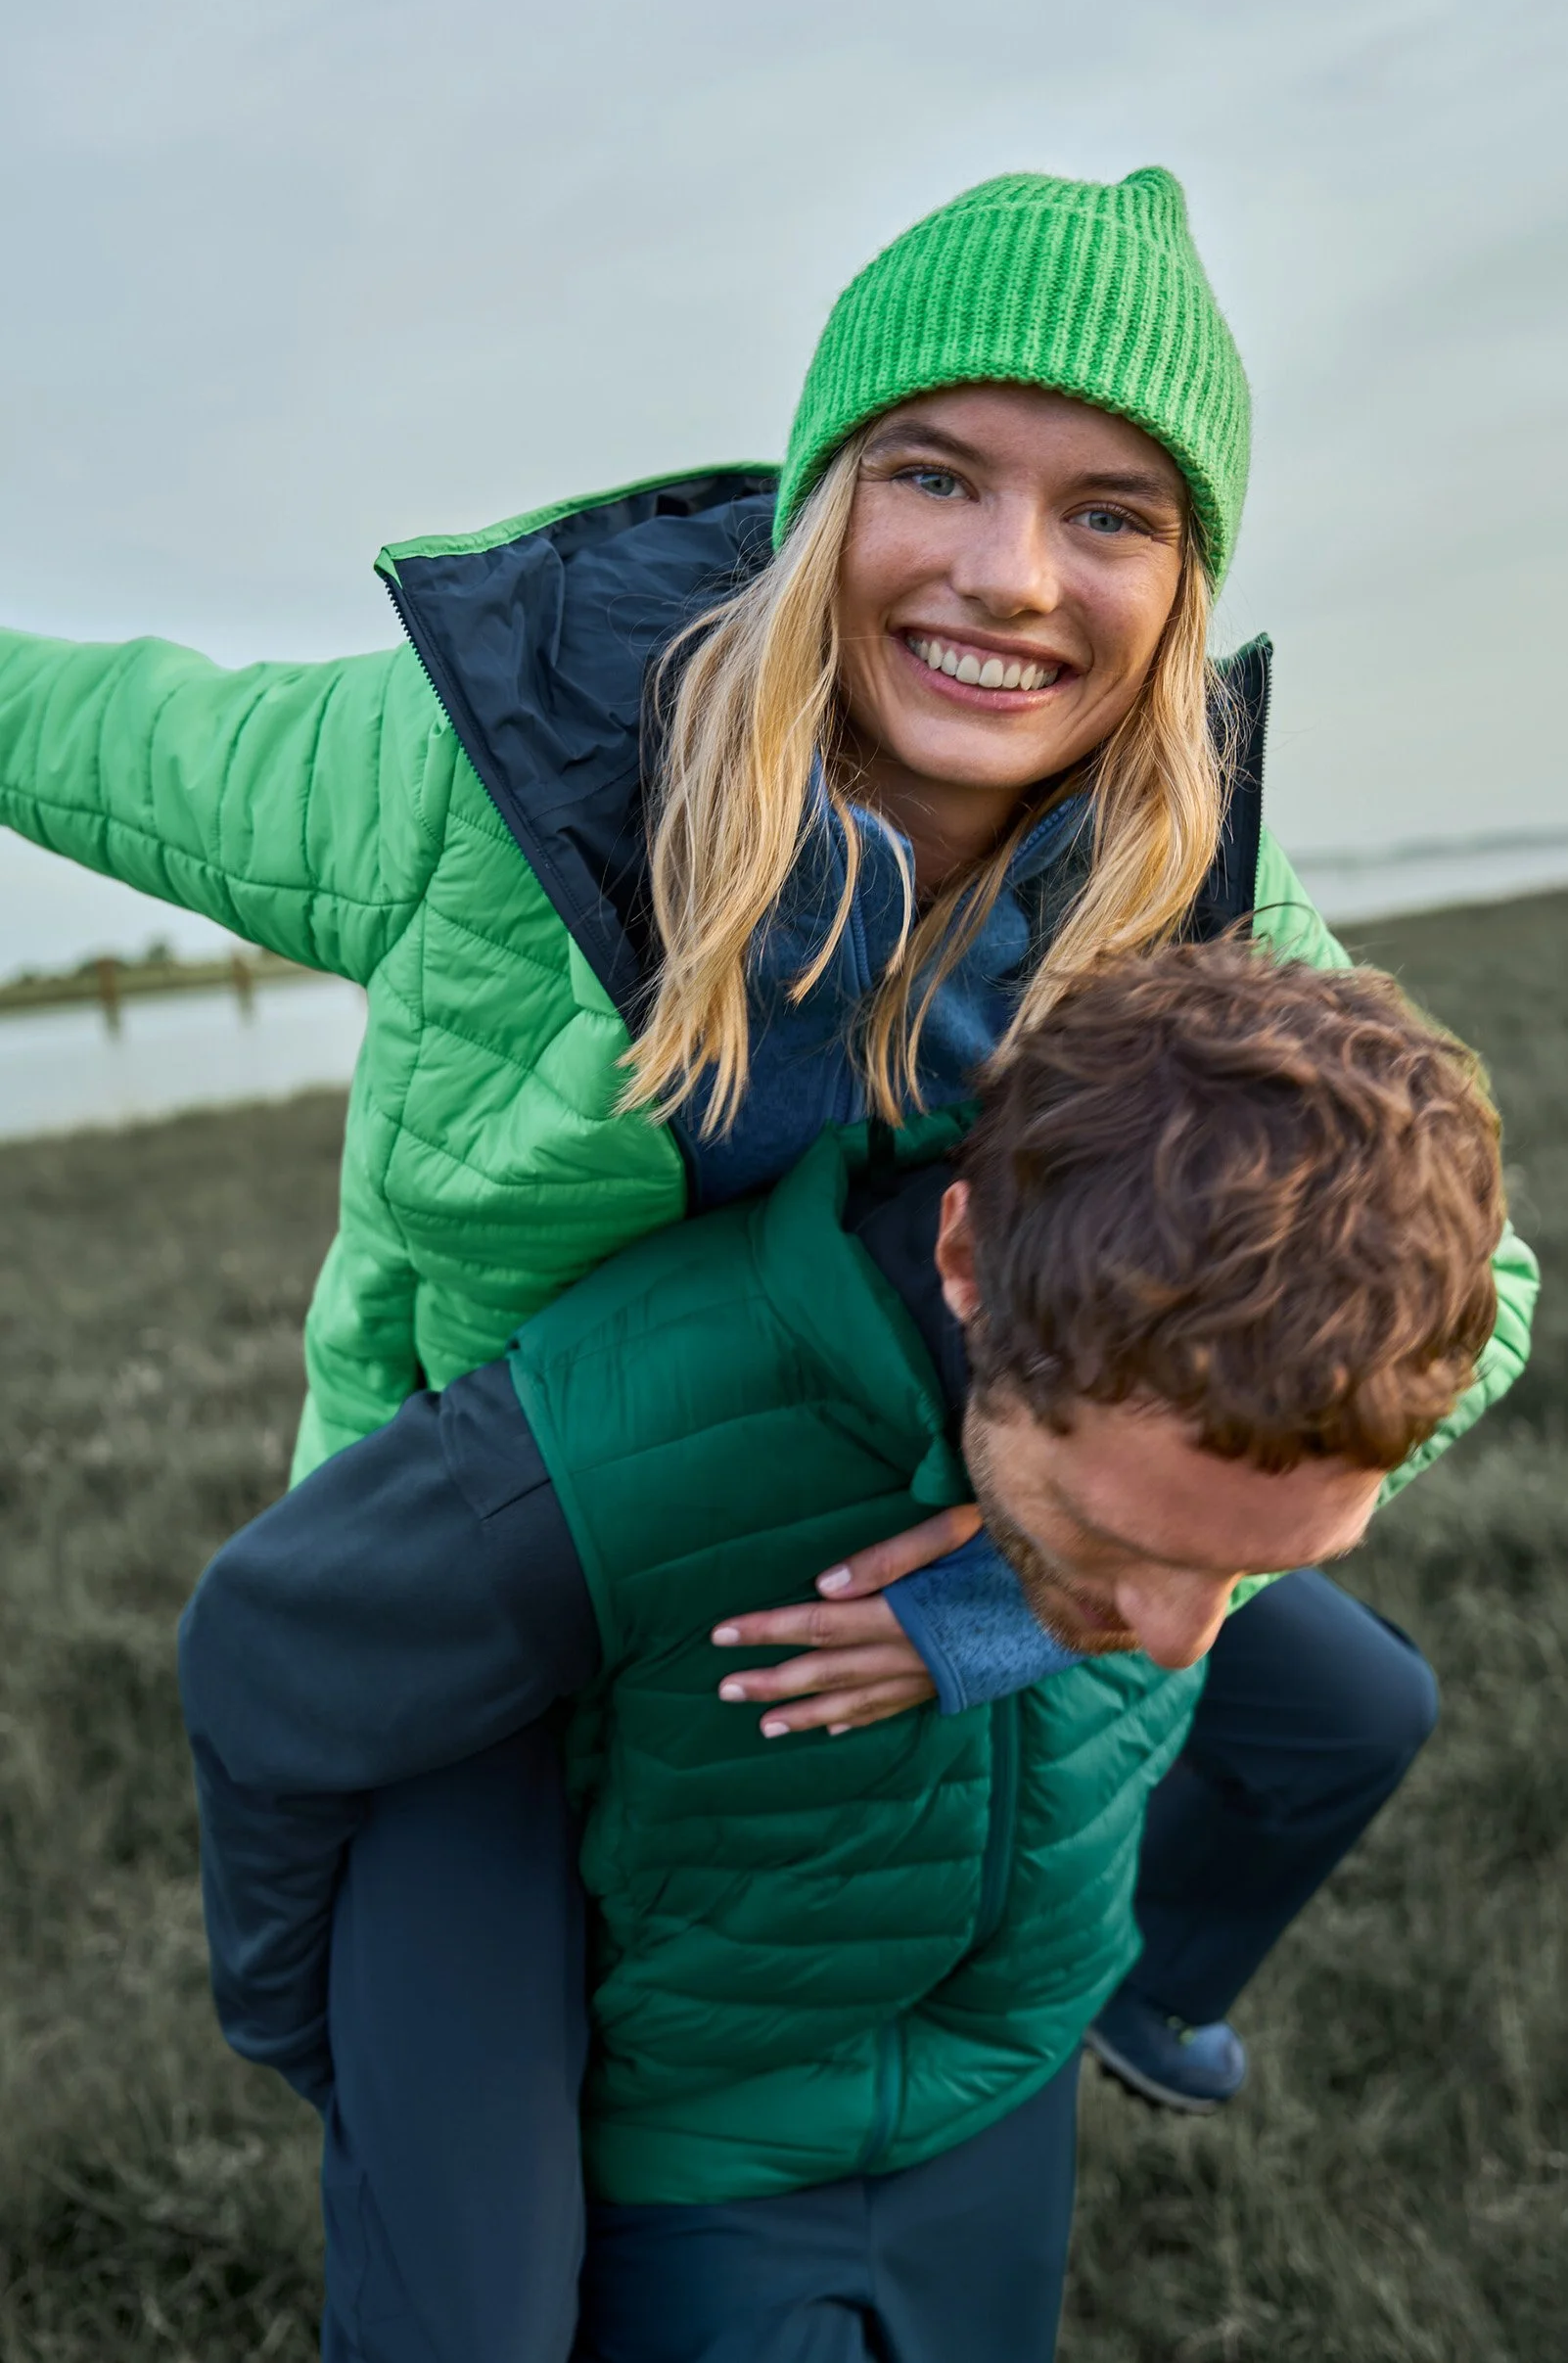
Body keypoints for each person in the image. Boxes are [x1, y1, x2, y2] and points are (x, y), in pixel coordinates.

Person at [0, 165, 1535, 2277]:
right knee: (473, 2255)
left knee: (1341, 1698)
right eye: (938, 472)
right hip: (513, 1553)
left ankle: (1142, 1994)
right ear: (831, 488)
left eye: (1111, 512)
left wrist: (1021, 1593)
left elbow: (1473, 1294)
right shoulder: (502, 760)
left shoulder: (1185, 885)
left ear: (1182, 583)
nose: (1010, 576)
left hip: (885, 1487)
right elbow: (87, 729)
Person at [181, 942, 1511, 2363]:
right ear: (965, 1267)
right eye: (1114, 1541)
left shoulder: (1243, 1426)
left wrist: (1002, 1614)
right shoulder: (626, 1447)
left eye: (1256, 1567)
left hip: (996, 2108)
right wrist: (306, 2028)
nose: (1182, 1639)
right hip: (698, 2169)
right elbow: (267, 1653)